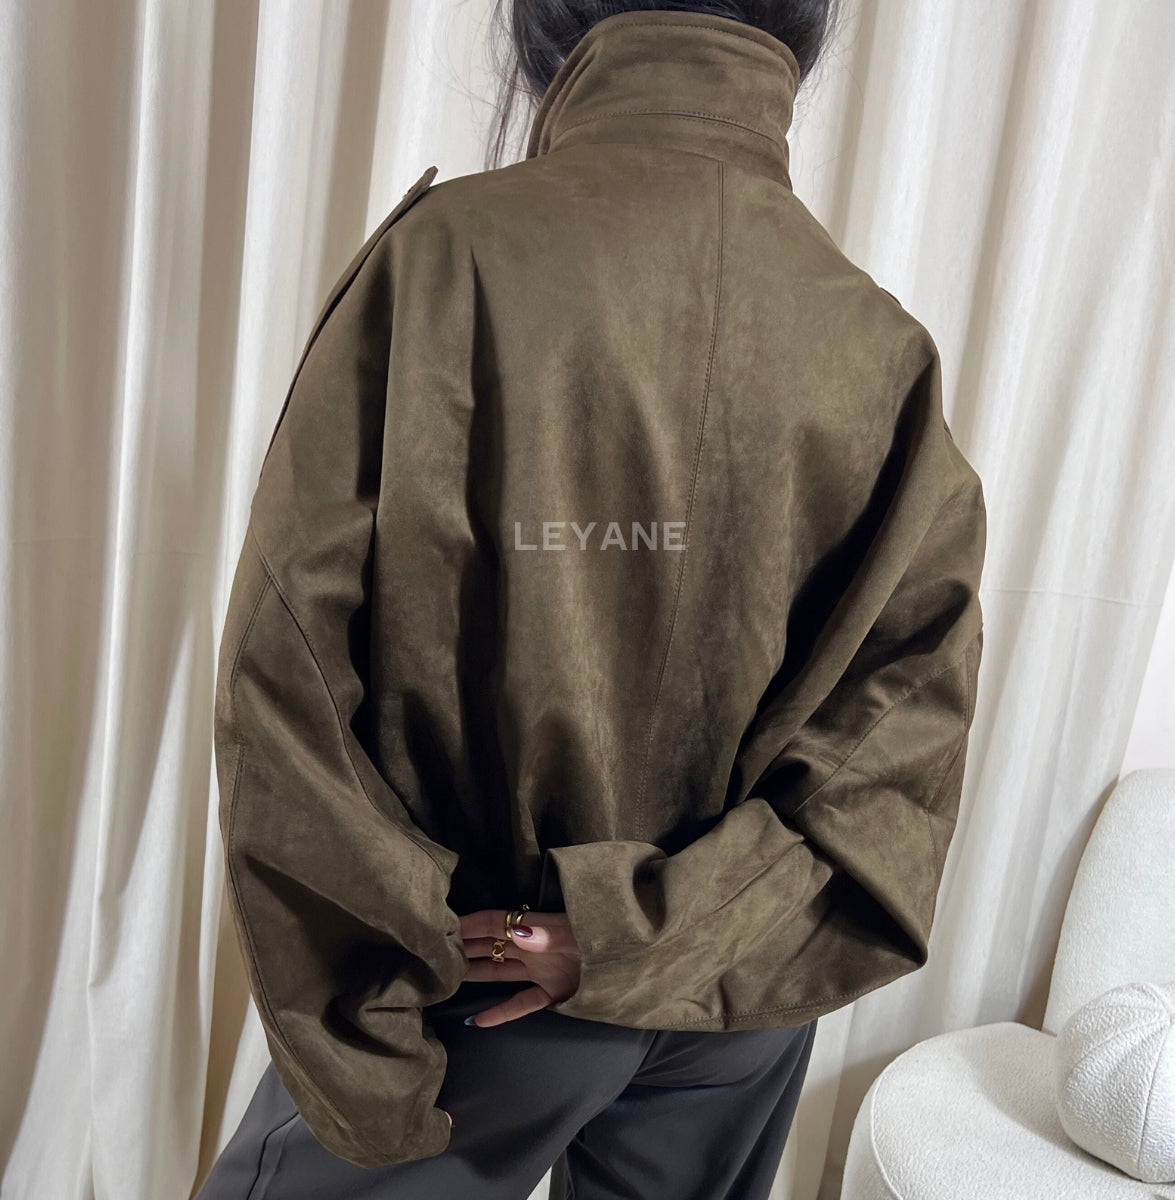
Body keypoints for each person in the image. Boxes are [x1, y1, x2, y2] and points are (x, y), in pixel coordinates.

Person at [196, 1, 987, 1198]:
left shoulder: (450, 257)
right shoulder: (880, 344)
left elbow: (288, 666)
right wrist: (657, 935)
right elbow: (900, 750)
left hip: (477, 974)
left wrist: (387, 963)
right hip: (735, 997)